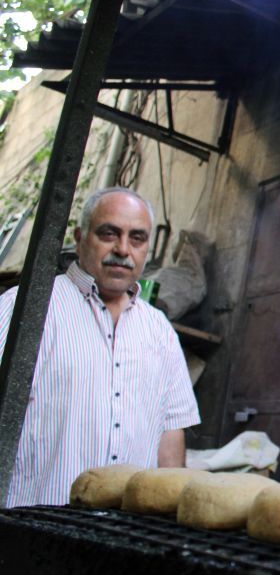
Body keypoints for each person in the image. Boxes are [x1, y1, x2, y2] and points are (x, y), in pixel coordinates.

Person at [0, 187, 200, 507]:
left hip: (121, 539)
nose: (122, 249)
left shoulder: (159, 330)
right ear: (80, 238)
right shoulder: (25, 309)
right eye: (109, 233)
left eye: (137, 238)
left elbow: (170, 433)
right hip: (29, 528)